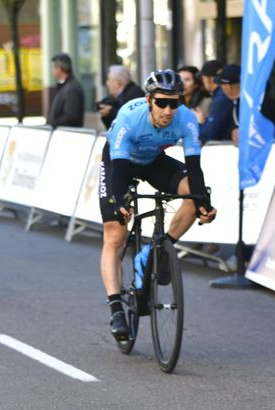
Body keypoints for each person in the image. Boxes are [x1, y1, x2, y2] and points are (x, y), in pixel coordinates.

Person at [98, 69, 217, 340]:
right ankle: (116, 307)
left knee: (195, 195)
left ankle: (157, 252)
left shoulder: (186, 119)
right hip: (121, 163)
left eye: (174, 102)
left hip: (153, 161)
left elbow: (194, 168)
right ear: (149, 100)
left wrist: (202, 204)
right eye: (162, 102)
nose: (168, 109)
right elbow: (117, 169)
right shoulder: (130, 117)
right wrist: (120, 203)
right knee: (115, 234)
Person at [214, 64, 275, 146]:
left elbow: (263, 131)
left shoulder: (259, 102)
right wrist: (233, 130)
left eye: (222, 86)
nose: (222, 89)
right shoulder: (239, 101)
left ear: (229, 87)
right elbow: (236, 124)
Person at [196, 60, 234, 143]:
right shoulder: (221, 95)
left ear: (208, 79)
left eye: (202, 78)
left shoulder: (221, 98)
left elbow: (210, 135)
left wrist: (200, 123)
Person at [97, 65, 144, 129]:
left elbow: (133, 119)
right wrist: (106, 115)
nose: (107, 83)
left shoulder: (135, 94)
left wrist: (111, 111)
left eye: (109, 80)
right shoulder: (124, 94)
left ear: (117, 83)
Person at [47, 53, 84, 128]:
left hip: (67, 136)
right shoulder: (65, 86)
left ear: (59, 69)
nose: (52, 71)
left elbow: (71, 116)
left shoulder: (72, 88)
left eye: (53, 67)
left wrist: (51, 124)